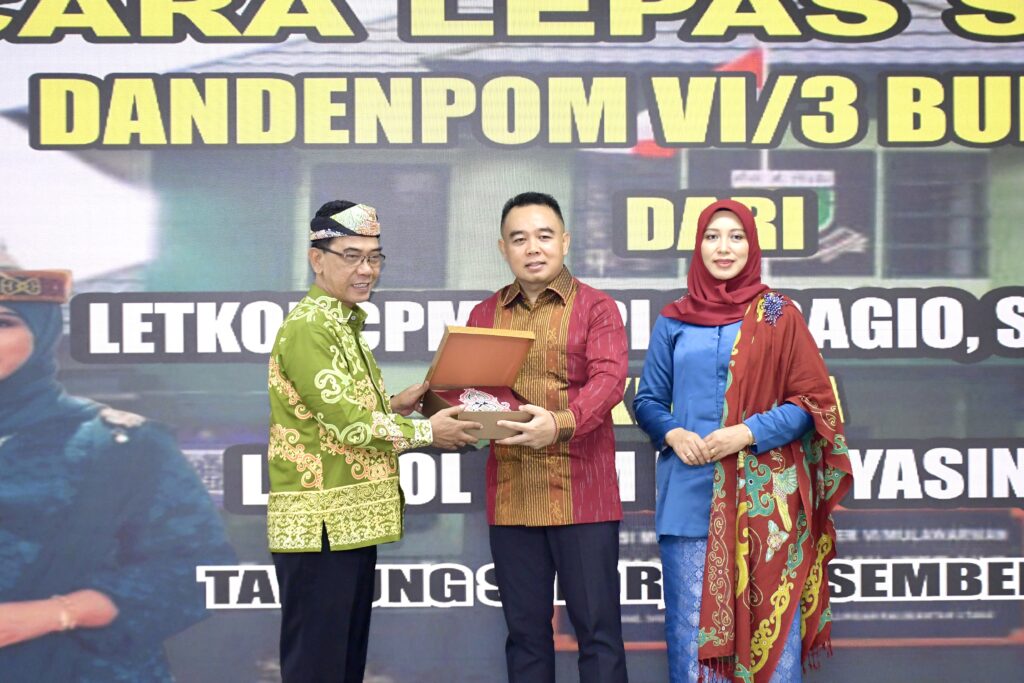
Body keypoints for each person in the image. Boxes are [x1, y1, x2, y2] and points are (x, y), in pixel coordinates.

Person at [633, 200, 852, 682]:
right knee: (693, 646)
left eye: (736, 236)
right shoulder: (674, 319)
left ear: (752, 246)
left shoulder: (778, 314)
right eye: (712, 236)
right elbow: (647, 399)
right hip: (690, 497)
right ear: (698, 246)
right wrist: (672, 431)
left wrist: (748, 432)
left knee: (773, 644)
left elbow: (812, 403)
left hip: (765, 507)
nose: (724, 247)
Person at [267, 200, 481, 683]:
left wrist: (395, 406)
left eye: (374, 257)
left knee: (344, 664)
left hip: (347, 523)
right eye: (351, 256)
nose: (366, 270)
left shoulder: (344, 324)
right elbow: (347, 425)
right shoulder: (310, 328)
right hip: (320, 525)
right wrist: (429, 431)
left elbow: (335, 413)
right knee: (318, 667)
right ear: (317, 258)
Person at [0, 266, 234, 682]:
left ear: (42, 333)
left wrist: (53, 614)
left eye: (4, 323)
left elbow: (198, 572)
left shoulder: (124, 445)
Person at [465, 191, 629, 683]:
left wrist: (557, 423)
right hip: (513, 496)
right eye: (519, 239)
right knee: (525, 637)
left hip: (584, 497)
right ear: (503, 249)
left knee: (598, 635)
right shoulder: (484, 315)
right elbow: (472, 394)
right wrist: (450, 412)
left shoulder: (597, 308)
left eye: (544, 236)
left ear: (565, 241)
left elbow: (609, 382)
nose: (532, 248)